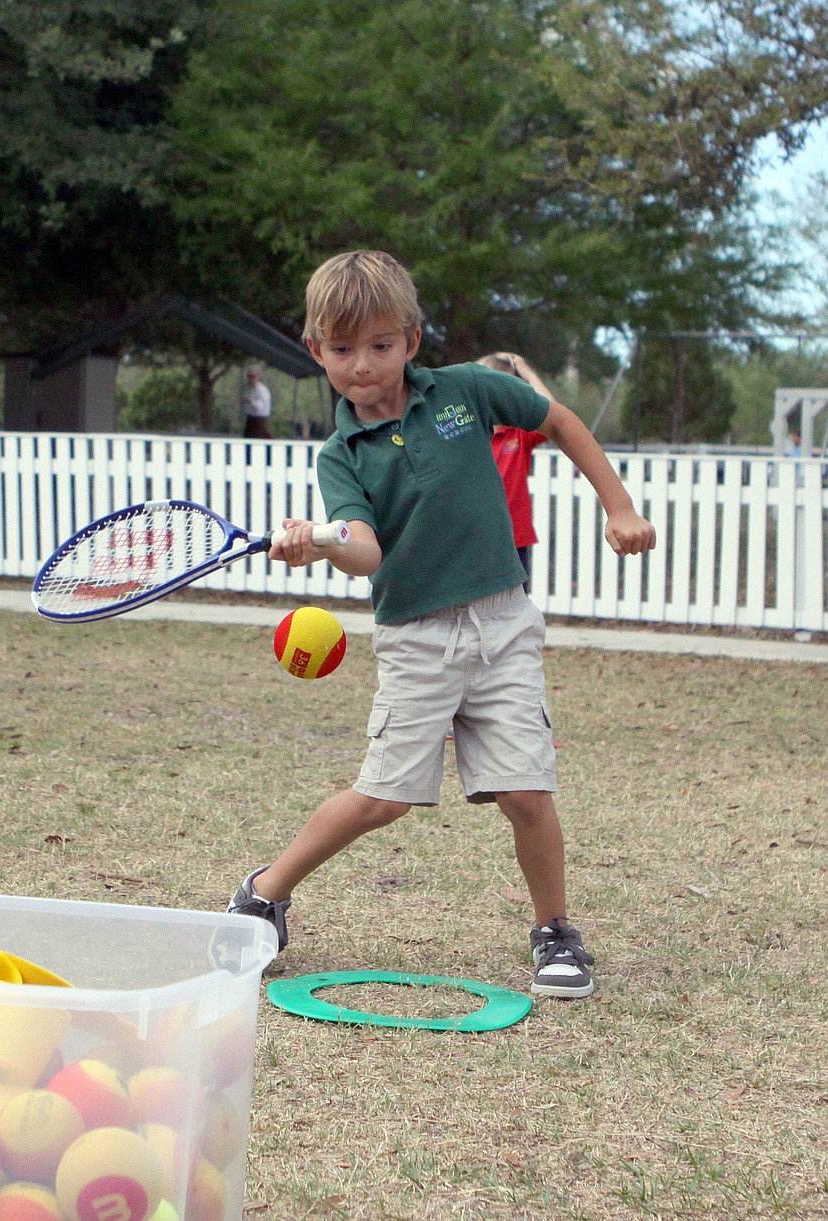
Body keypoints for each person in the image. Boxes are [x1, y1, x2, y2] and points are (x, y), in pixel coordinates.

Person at [227, 250, 656, 999]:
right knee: (383, 799)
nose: (363, 365)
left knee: (528, 789)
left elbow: (557, 419)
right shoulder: (342, 454)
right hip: (417, 637)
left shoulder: (465, 391)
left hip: (503, 622)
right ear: (314, 349)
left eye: (381, 345)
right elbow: (364, 553)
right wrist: (318, 539)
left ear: (413, 340)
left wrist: (617, 505)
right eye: (342, 349)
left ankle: (555, 929)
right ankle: (264, 891)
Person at [478, 352, 551, 592]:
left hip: (514, 539)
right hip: (475, 538)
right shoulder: (467, 432)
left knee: (515, 611)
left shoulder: (520, 432)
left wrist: (526, 371)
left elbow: (553, 413)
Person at [242, 367, 272, 438]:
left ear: (259, 377)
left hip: (258, 421)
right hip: (252, 419)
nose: (251, 378)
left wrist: (251, 401)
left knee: (257, 442)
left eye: (253, 376)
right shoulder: (254, 389)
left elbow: (261, 406)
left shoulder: (262, 390)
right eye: (249, 376)